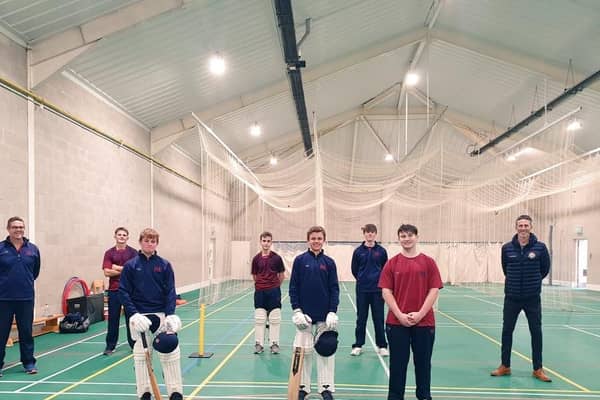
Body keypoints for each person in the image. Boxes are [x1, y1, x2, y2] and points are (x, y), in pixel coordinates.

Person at [379, 224, 443, 400]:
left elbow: (434, 289)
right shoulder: (392, 263)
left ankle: (424, 396)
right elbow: (386, 291)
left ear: (417, 237)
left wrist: (421, 314)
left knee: (423, 365)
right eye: (402, 236)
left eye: (409, 235)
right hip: (396, 324)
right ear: (398, 239)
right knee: (397, 365)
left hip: (424, 323)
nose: (406, 239)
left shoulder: (428, 262)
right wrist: (399, 315)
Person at [119, 228, 183, 400]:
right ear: (140, 242)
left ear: (157, 244)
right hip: (139, 319)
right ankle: (144, 393)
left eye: (153, 241)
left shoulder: (164, 265)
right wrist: (133, 315)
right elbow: (123, 292)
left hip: (161, 316)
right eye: (147, 240)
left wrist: (170, 314)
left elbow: (170, 291)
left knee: (171, 353)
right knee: (141, 358)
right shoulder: (130, 266)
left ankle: (175, 392)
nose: (150, 244)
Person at [491, 214, 552, 382]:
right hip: (511, 297)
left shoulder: (540, 248)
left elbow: (545, 269)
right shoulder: (507, 248)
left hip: (532, 298)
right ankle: (505, 366)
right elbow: (505, 268)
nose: (523, 228)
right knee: (506, 331)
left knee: (536, 332)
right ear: (516, 227)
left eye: (526, 225)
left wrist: (532, 284)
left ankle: (537, 369)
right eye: (520, 225)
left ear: (531, 227)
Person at [289, 226, 340, 400]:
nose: (316, 241)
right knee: (304, 350)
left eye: (319, 238)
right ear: (308, 240)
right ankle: (302, 387)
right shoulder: (300, 260)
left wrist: (332, 312)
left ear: (323, 240)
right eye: (313, 238)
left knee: (326, 351)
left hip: (324, 316)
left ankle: (326, 388)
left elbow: (334, 289)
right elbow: (293, 287)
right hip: (305, 316)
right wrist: (297, 310)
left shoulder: (329, 262)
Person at [0, 216, 41, 377]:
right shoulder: (1, 249)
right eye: (15, 227)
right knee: (1, 333)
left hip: (25, 298)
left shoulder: (33, 249)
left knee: (26, 332)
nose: (18, 230)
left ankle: (29, 363)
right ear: (8, 229)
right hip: (3, 299)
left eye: (21, 227)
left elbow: (35, 272)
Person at [351, 224, 388, 356]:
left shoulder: (382, 251)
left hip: (378, 291)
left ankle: (382, 345)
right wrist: (362, 279)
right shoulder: (358, 251)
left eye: (372, 232)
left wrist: (379, 284)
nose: (370, 234)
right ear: (364, 234)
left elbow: (385, 270)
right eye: (367, 232)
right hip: (362, 290)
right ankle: (358, 345)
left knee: (378, 318)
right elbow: (354, 270)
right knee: (361, 318)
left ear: (375, 234)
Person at [102, 226, 138, 354]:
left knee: (131, 318)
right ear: (115, 236)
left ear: (127, 237)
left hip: (130, 291)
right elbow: (106, 272)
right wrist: (125, 269)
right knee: (113, 319)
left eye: (124, 235)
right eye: (119, 235)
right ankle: (110, 346)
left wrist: (116, 267)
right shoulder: (109, 253)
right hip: (114, 290)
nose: (121, 237)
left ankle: (134, 344)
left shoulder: (133, 253)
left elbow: (134, 271)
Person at [251, 231, 285, 354]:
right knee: (260, 319)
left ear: (271, 242)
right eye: (264, 241)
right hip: (260, 292)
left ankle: (274, 344)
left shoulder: (277, 258)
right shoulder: (256, 259)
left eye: (268, 241)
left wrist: (273, 286)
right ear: (260, 242)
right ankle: (259, 344)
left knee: (275, 318)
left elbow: (281, 276)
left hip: (274, 292)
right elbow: (255, 276)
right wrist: (262, 285)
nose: (266, 243)